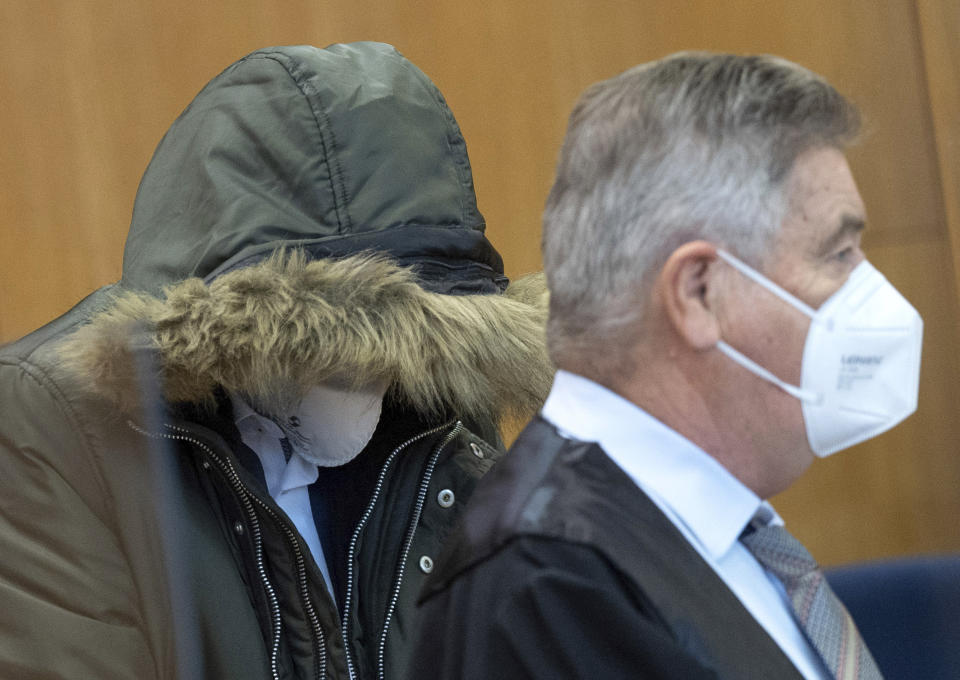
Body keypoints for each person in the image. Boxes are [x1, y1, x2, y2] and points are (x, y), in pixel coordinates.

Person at [0, 42, 551, 679]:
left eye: (404, 331)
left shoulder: (436, 391)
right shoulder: (46, 425)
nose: (373, 369)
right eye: (329, 336)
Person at [408, 52, 922, 679]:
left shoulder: (720, 531)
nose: (868, 287)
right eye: (838, 254)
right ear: (700, 292)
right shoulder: (549, 588)